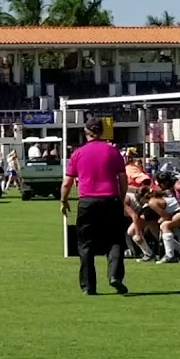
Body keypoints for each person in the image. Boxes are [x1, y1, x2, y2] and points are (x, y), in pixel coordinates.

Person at [60, 120, 129, 295]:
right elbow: (122, 178)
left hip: (88, 202)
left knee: (86, 244)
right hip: (110, 200)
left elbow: (67, 182)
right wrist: (121, 198)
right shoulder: (113, 151)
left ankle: (88, 286)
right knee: (115, 240)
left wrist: (64, 200)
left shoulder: (78, 153)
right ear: (102, 131)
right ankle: (115, 276)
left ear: (86, 132)